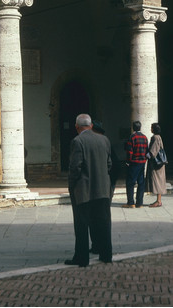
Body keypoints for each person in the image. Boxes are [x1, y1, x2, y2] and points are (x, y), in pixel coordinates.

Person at [65, 114, 112, 267]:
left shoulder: (77, 141)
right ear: (91, 125)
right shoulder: (104, 140)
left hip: (83, 190)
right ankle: (106, 255)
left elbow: (75, 166)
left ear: (77, 127)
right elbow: (109, 164)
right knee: (103, 223)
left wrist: (72, 184)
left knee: (81, 224)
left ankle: (81, 257)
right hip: (102, 189)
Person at [124, 121, 150, 208]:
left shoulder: (132, 137)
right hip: (142, 162)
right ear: (140, 127)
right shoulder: (145, 137)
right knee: (141, 182)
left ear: (133, 127)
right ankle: (139, 203)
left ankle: (131, 202)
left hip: (134, 162)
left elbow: (129, 151)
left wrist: (128, 161)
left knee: (130, 183)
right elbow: (147, 150)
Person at [146, 123, 167, 208]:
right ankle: (158, 200)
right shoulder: (159, 137)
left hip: (156, 164)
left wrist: (146, 155)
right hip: (160, 163)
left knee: (157, 181)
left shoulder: (155, 137)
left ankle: (158, 201)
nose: (150, 129)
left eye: (151, 128)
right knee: (160, 181)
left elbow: (153, 151)